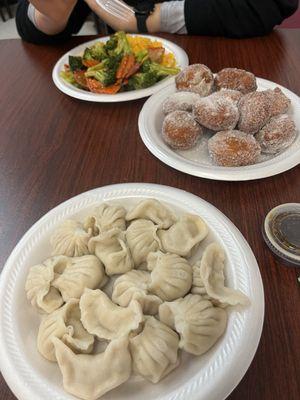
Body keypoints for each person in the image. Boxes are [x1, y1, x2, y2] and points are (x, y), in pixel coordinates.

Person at [16, 0, 299, 45]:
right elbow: (32, 27)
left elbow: (268, 5)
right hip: (123, 99)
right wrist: (51, 16)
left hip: (235, 51)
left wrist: (144, 20)